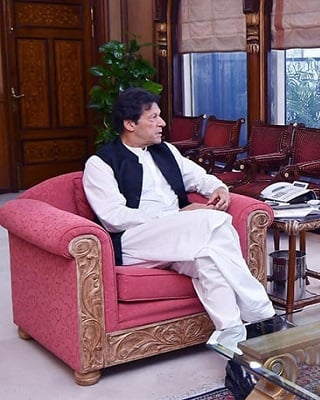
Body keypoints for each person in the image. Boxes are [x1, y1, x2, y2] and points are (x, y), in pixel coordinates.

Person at [82, 87, 274, 351]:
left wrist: (218, 188)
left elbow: (199, 178)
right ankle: (261, 310)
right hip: (133, 241)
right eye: (153, 118)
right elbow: (114, 218)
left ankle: (231, 334)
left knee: (208, 257)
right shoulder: (100, 163)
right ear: (129, 124)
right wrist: (177, 216)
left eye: (160, 116)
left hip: (182, 238)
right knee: (210, 221)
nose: (162, 123)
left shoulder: (166, 151)